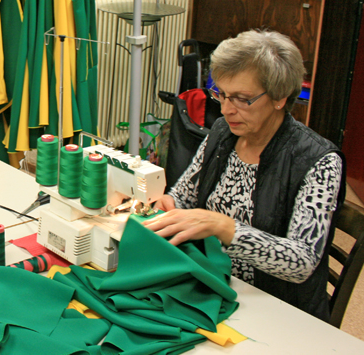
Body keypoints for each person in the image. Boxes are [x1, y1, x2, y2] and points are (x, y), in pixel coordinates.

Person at [143, 29, 345, 321]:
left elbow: (301, 262)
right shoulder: (224, 133)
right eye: (221, 94)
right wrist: (170, 206)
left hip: (277, 310)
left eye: (241, 99)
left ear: (280, 97)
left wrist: (224, 227)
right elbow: (183, 195)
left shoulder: (319, 161)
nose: (226, 109)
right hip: (213, 285)